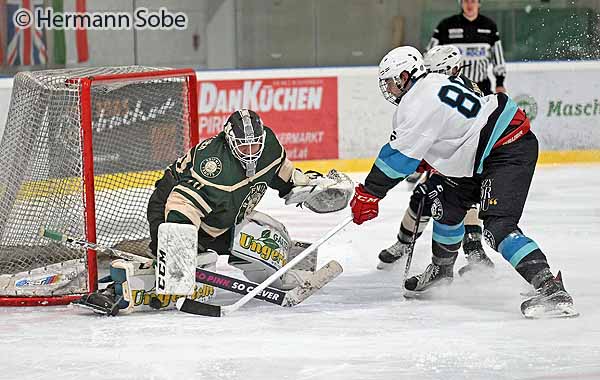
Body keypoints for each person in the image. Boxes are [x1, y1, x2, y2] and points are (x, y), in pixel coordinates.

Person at [350, 46, 577, 318]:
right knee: (444, 200)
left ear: (405, 76)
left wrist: (369, 193)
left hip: (505, 147)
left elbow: (397, 157)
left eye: (390, 81)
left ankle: (551, 288)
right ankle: (442, 270)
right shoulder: (436, 81)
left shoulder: (417, 100)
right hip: (482, 150)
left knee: (498, 227)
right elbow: (453, 126)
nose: (388, 88)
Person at [79, 109, 352, 315]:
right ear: (229, 139)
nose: (250, 152)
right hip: (172, 206)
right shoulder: (214, 164)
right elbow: (181, 204)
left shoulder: (267, 146)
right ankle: (120, 289)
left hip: (224, 216)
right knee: (185, 267)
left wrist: (314, 187)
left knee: (267, 235)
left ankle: (286, 272)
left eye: (254, 145)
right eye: (243, 146)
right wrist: (177, 251)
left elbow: (287, 179)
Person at [377, 45, 494, 276]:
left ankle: (474, 249)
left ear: (454, 69)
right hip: (449, 157)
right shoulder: (438, 86)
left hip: (466, 159)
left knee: (460, 200)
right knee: (424, 195)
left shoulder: (463, 88)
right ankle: (404, 243)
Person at [426, 0, 506, 95]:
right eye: (466, 1)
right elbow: (429, 55)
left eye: (473, 1)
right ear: (461, 3)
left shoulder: (489, 26)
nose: (469, 4)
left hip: (482, 86)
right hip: (453, 86)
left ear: (479, 3)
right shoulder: (446, 25)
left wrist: (499, 83)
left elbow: (498, 56)